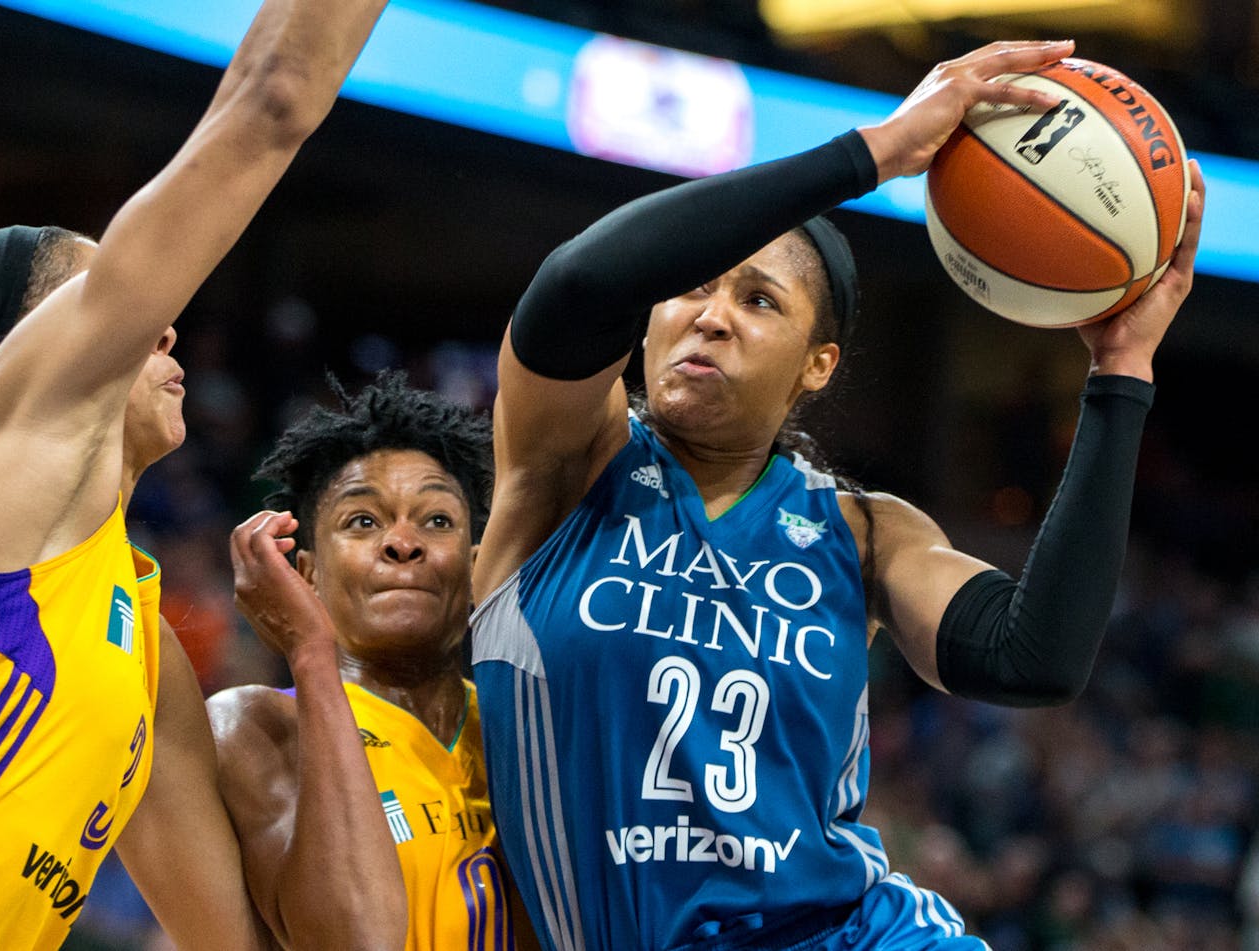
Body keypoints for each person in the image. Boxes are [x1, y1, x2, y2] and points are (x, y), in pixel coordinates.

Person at [468, 39, 1207, 951]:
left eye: (760, 300)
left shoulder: (861, 532)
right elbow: (578, 283)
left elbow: (1032, 659)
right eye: (692, 286)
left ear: (818, 366)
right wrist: (874, 154)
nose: (712, 313)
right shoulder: (567, 465)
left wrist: (1120, 372)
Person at [0, 0, 388, 946]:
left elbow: (231, 939)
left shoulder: (139, 644)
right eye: (113, 305)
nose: (164, 322)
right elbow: (271, 101)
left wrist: (316, 663)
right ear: (6, 367)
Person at [207, 372, 526, 950]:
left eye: (437, 520)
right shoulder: (257, 726)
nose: (403, 543)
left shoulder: (524, 727)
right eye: (363, 521)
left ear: (478, 566)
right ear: (305, 574)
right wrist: (310, 653)